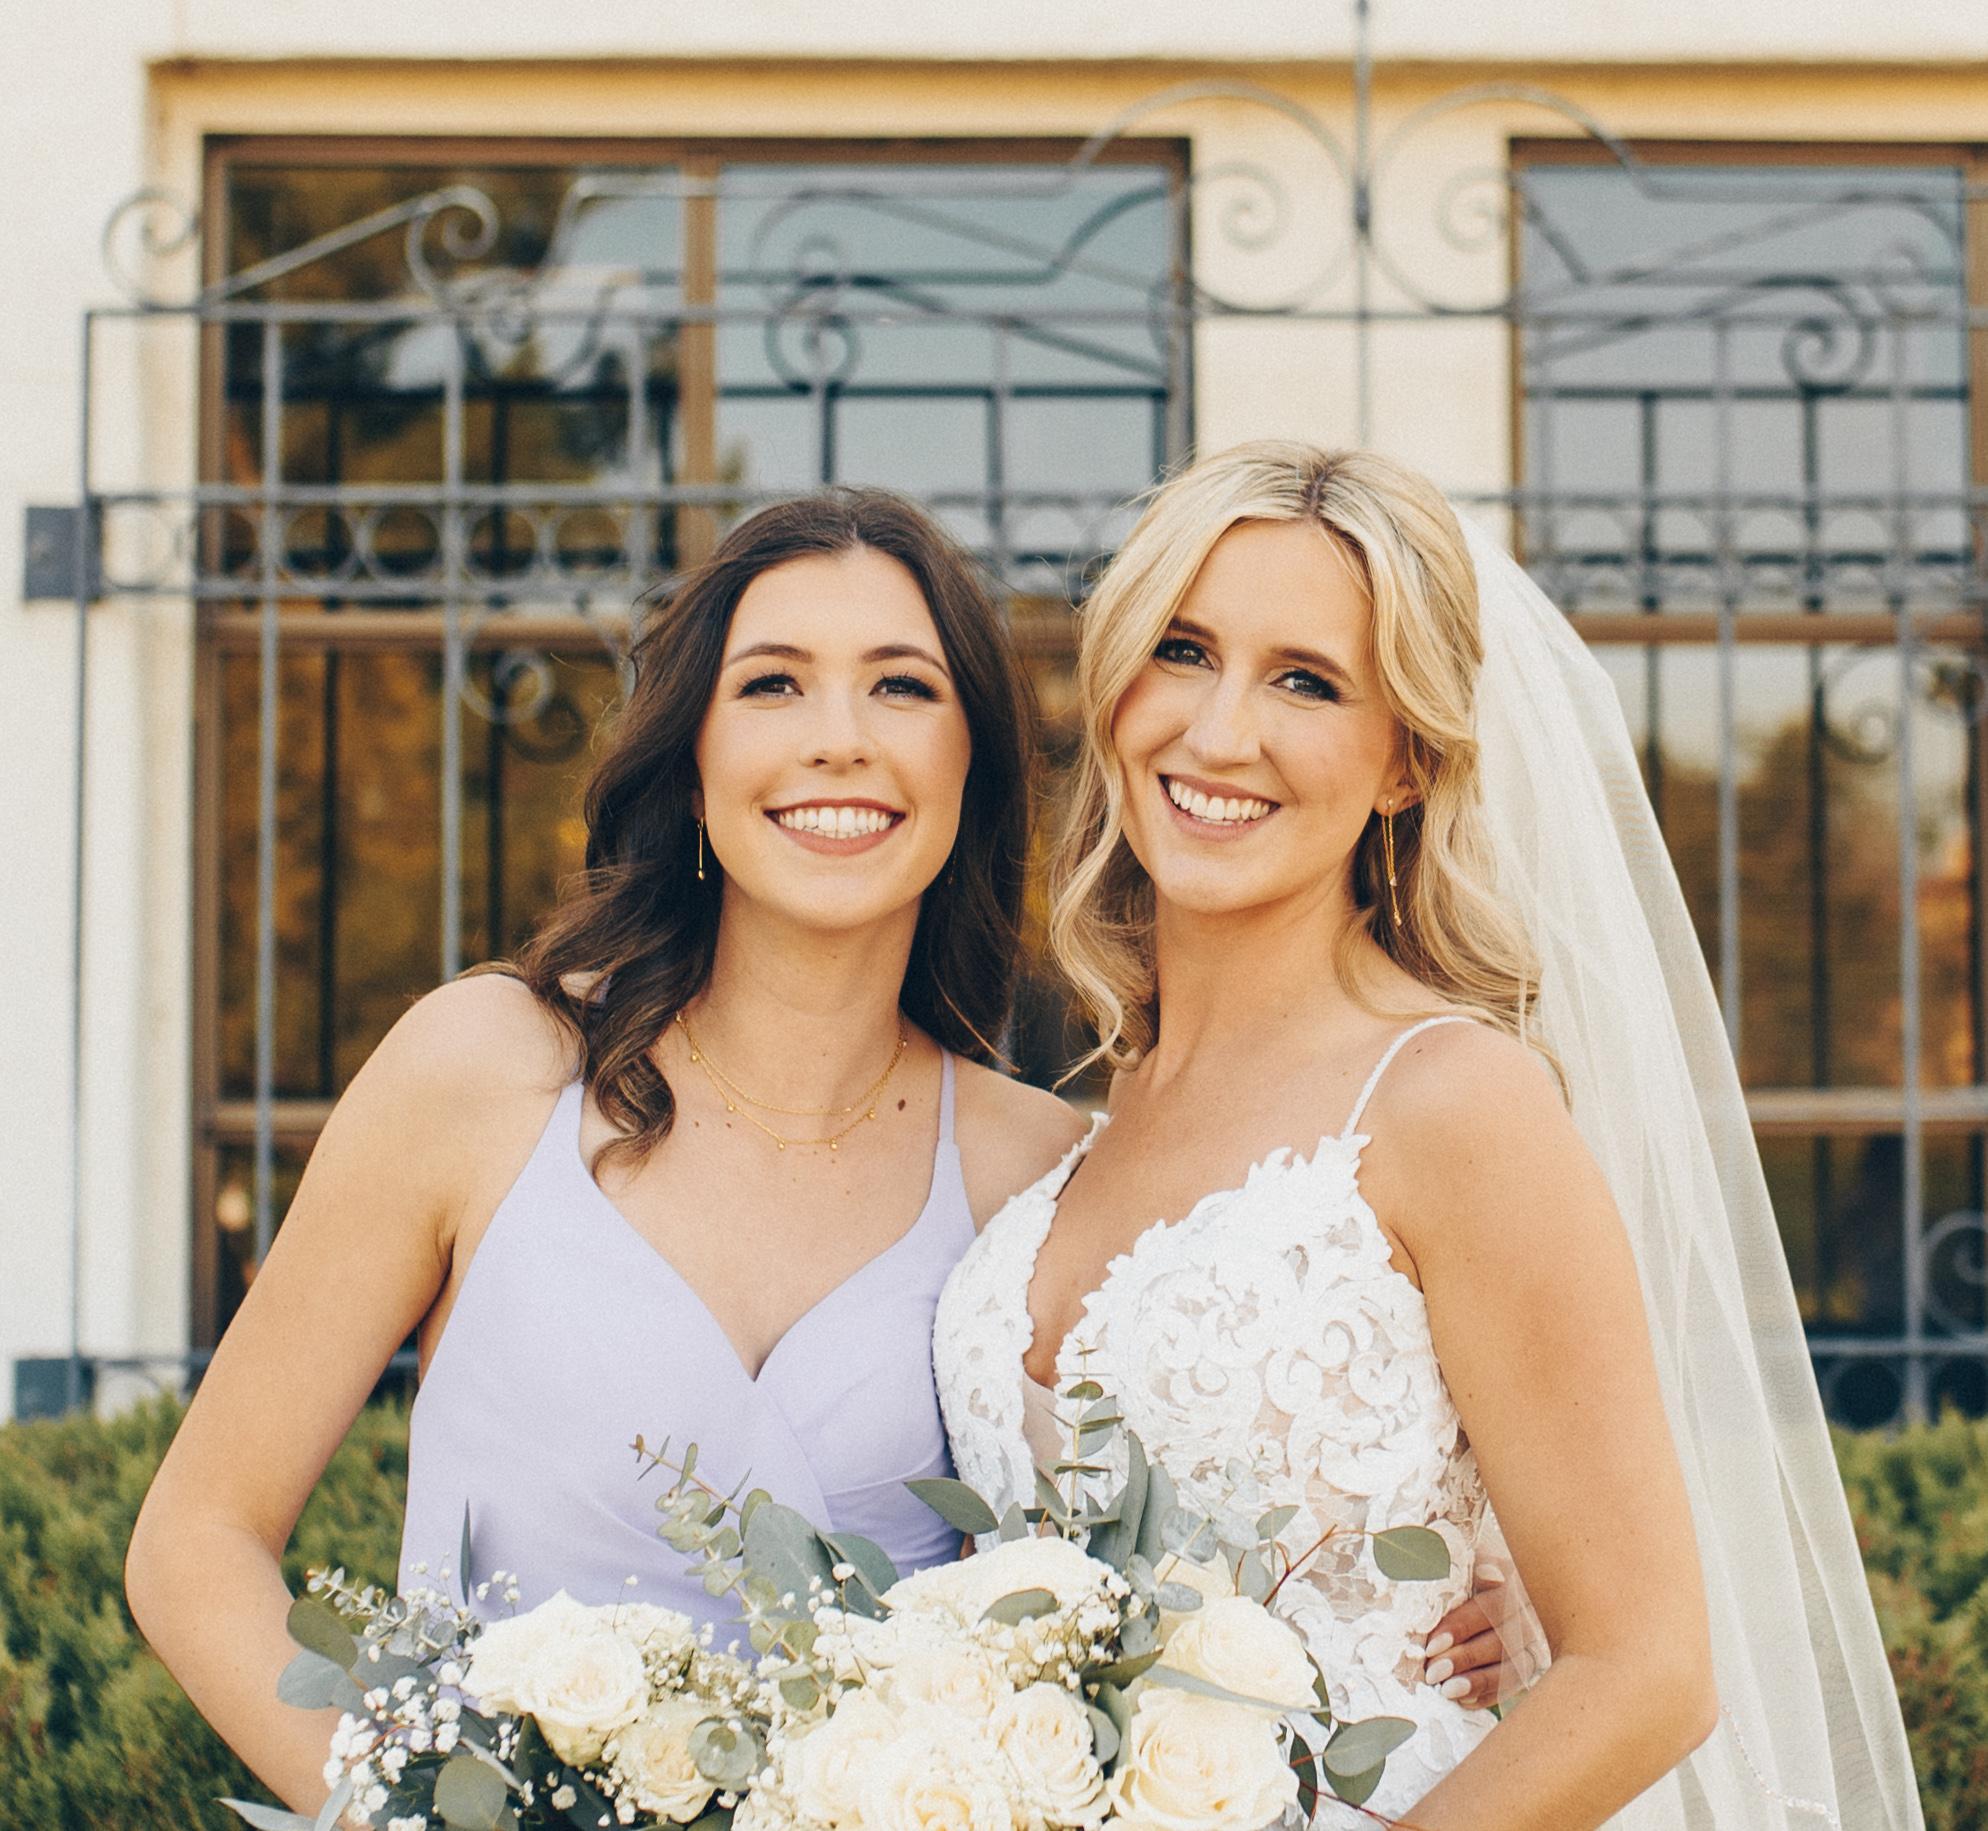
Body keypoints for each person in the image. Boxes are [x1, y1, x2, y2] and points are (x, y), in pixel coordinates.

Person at [934, 442, 1924, 1828]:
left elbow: (1647, 1673)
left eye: (1305, 681)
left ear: (1404, 760)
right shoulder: (1083, 1125)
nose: (1218, 732)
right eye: (1182, 651)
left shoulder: (1453, 1104)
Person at [124, 488, 1088, 1814]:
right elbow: (196, 1541)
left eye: (903, 687)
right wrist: (405, 1812)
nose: (841, 738)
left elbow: (1097, 1614)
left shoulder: (1038, 1171)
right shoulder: (482, 1072)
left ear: (970, 764)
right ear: (691, 764)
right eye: (773, 684)